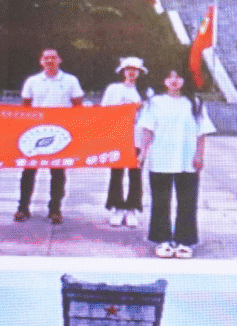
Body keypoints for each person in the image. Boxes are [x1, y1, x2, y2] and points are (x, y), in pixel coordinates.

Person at [136, 69, 215, 259]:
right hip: (161, 158)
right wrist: (143, 153)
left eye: (178, 77)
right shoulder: (154, 103)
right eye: (169, 76)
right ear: (164, 80)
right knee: (161, 201)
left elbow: (201, 132)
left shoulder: (194, 103)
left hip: (186, 159)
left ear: (184, 80)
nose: (174, 80)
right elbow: (148, 130)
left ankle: (184, 241)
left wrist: (200, 155)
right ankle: (162, 240)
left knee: (187, 201)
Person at [17, 47, 84, 224]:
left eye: (53, 57)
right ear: (41, 61)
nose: (49, 60)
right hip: (36, 132)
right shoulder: (32, 81)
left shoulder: (70, 80)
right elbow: (26, 106)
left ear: (59, 60)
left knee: (58, 173)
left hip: (60, 133)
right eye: (46, 58)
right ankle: (23, 208)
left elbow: (77, 105)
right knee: (28, 171)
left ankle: (55, 209)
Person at [100, 56, 150, 228]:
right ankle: (117, 207)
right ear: (123, 71)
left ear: (139, 73)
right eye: (128, 69)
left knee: (135, 174)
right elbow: (105, 111)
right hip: (118, 137)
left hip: (138, 137)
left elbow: (150, 116)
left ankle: (132, 209)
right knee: (116, 174)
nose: (131, 72)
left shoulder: (146, 92)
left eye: (135, 70)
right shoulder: (113, 89)